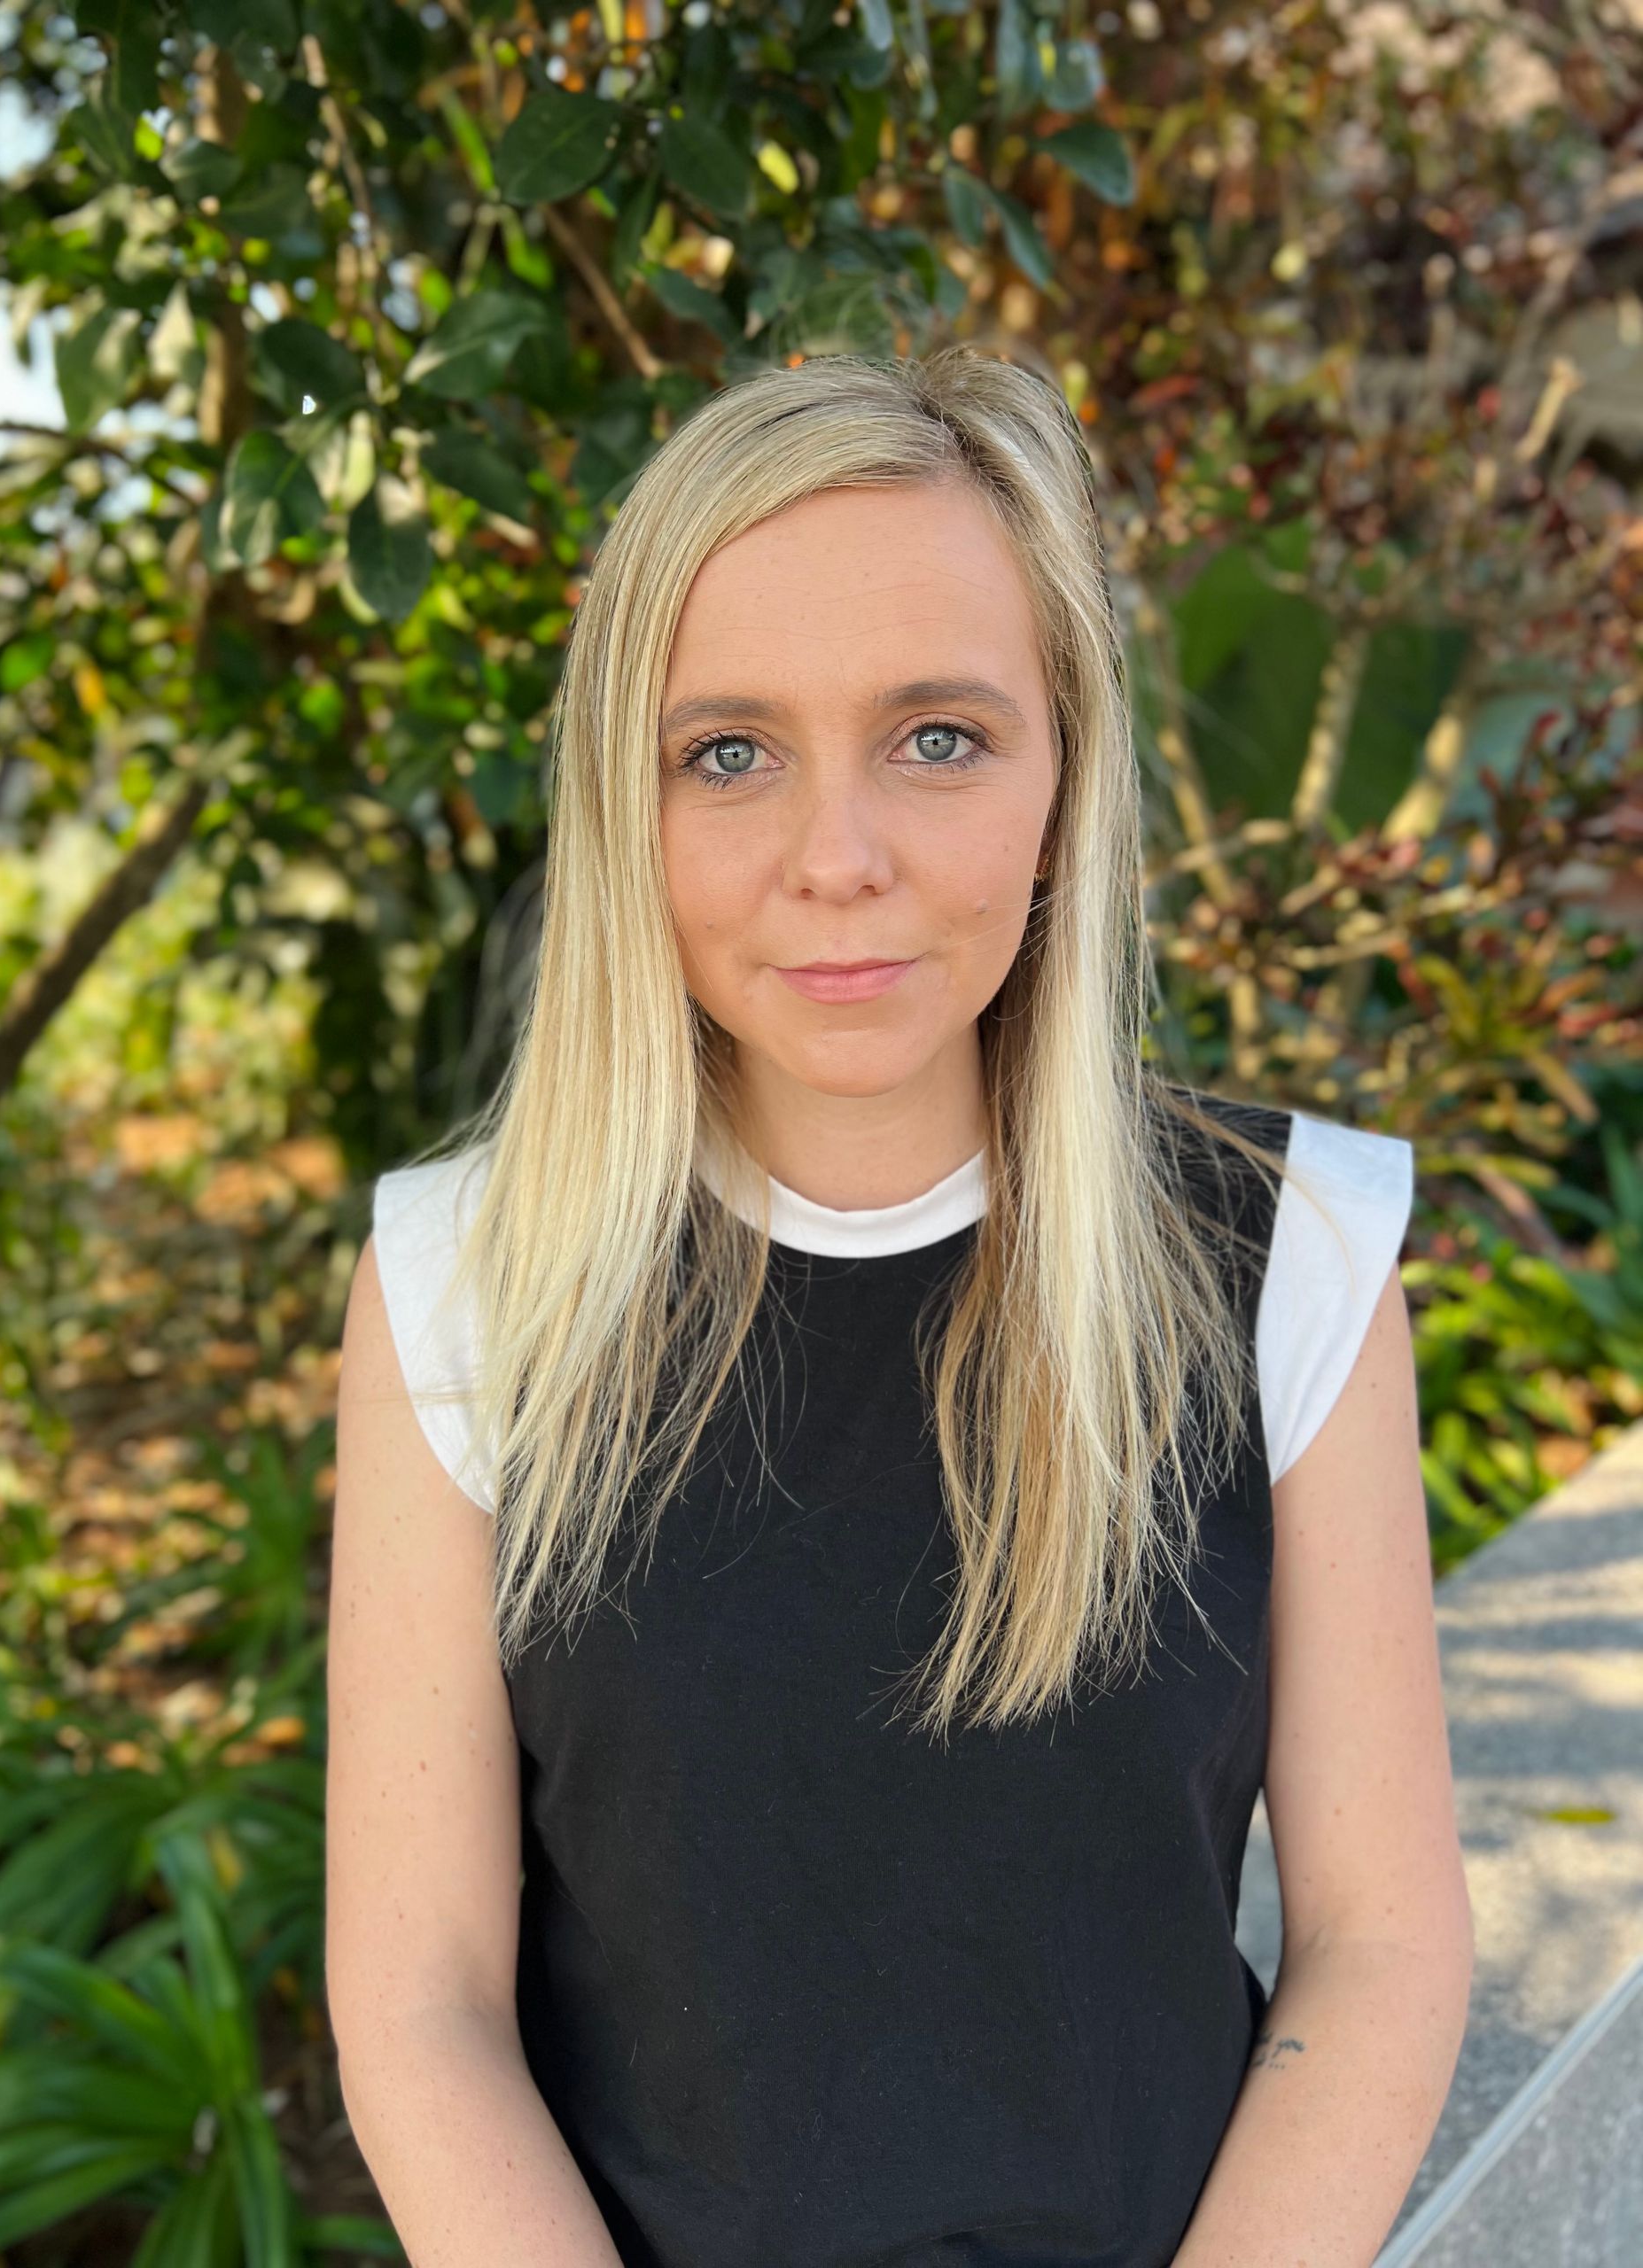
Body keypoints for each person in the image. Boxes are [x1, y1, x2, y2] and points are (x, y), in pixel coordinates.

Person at [325, 347, 1473, 2268]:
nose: (836, 856)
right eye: (731, 749)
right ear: (631, 802)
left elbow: (1381, 1944)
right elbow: (425, 1997)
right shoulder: (465, 1284)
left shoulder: (1295, 1253)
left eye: (938, 735)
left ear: (1063, 774)